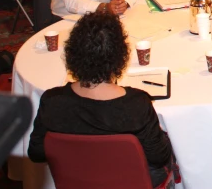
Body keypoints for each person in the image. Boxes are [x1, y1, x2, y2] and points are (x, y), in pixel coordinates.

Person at [28, 12, 175, 188]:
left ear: (72, 53)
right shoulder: (137, 104)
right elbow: (159, 157)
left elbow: (36, 153)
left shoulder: (52, 101)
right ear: (120, 56)